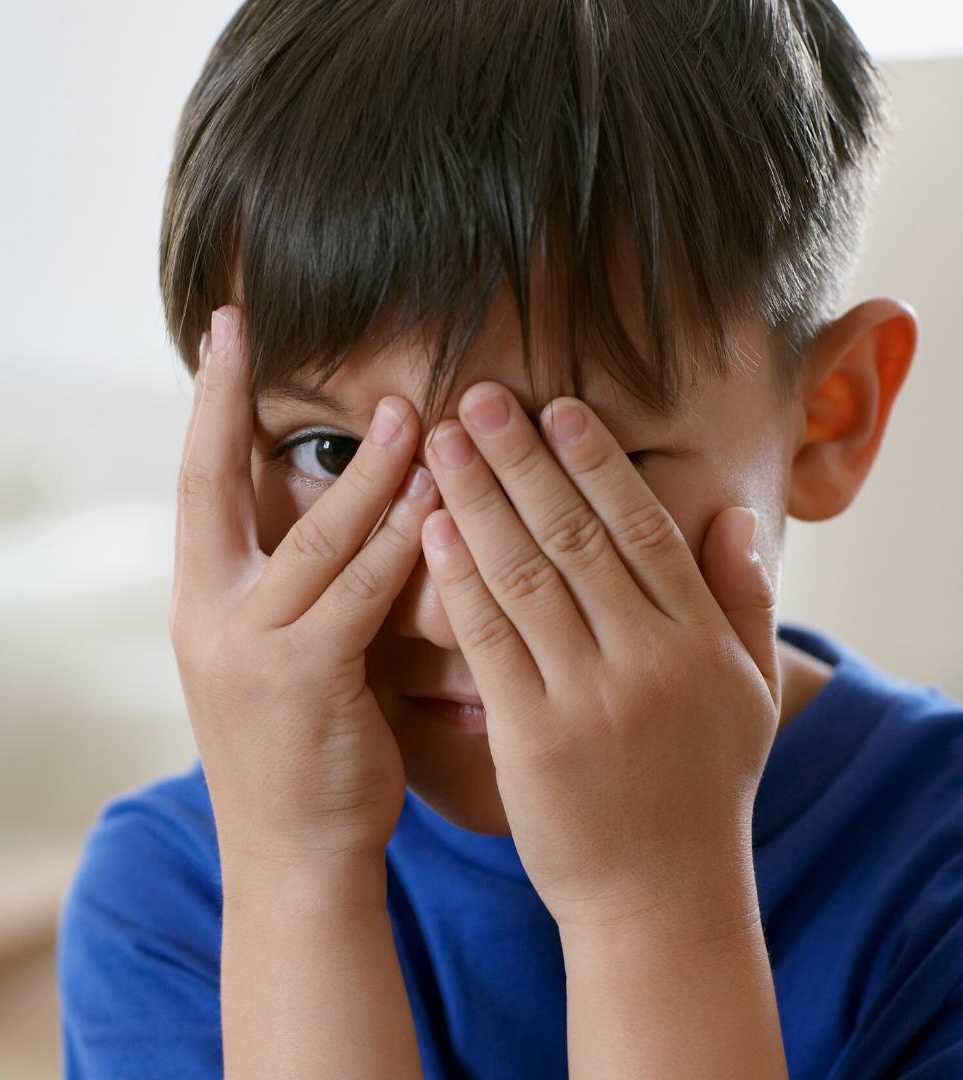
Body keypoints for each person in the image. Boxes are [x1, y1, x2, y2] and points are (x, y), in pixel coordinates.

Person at [58, 1, 963, 1077]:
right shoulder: (171, 899)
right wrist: (296, 879)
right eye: (333, 453)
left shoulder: (936, 875)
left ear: (828, 419)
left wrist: (653, 903)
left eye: (575, 466)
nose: (451, 608)